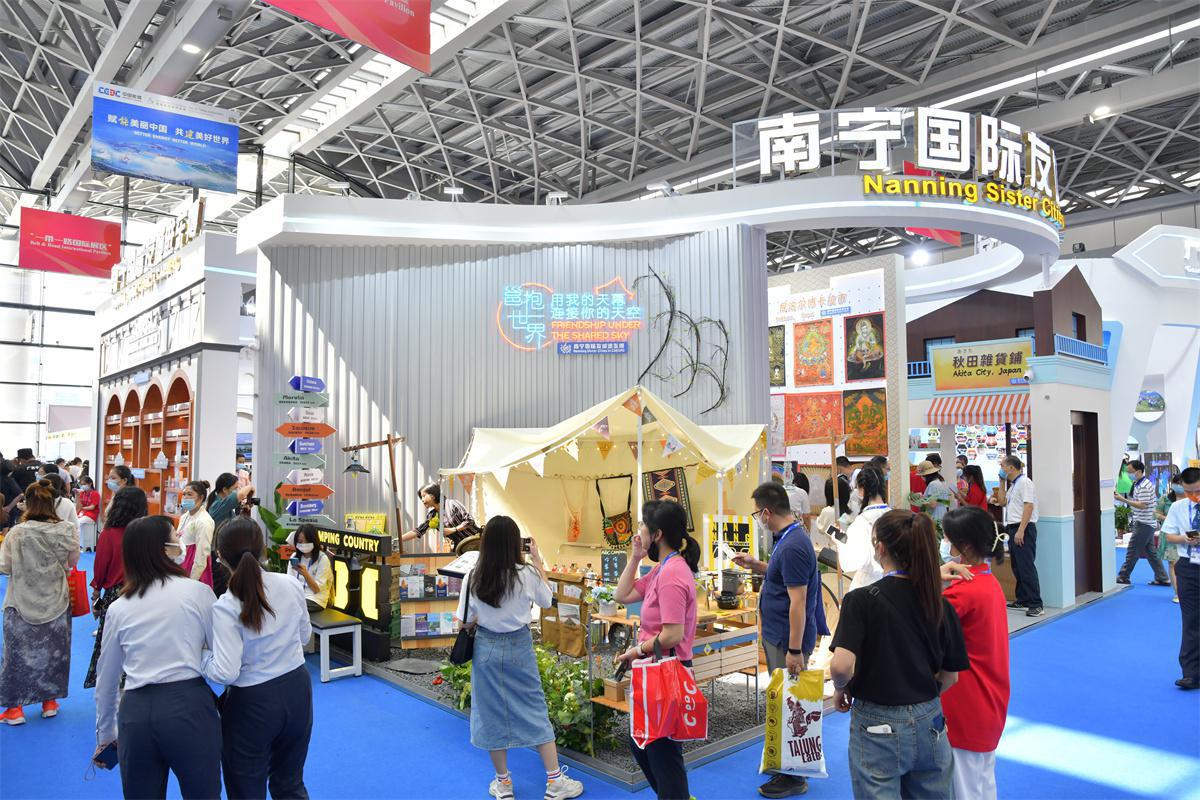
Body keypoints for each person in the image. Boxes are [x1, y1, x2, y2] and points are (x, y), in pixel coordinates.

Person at [829, 510, 969, 799]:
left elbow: (841, 666)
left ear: (880, 548)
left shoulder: (860, 601)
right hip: (930, 720)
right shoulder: (940, 605)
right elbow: (951, 677)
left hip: (876, 722)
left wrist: (840, 688)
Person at [456, 516, 583, 800]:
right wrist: (537, 560)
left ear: (485, 543)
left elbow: (463, 621)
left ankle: (503, 784)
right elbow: (547, 601)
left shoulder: (473, 576)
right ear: (516, 543)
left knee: (490, 713)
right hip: (519, 647)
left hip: (486, 648)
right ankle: (554, 781)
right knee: (534, 708)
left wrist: (482, 618)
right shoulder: (527, 573)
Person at [93, 515, 221, 798]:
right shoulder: (199, 593)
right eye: (176, 539)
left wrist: (105, 735)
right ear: (163, 550)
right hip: (189, 707)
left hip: (135, 712)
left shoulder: (119, 607)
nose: (181, 543)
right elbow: (222, 658)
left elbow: (107, 679)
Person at [204, 517, 313, 799]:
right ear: (263, 548)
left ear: (219, 557)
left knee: (246, 791)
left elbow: (225, 672)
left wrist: (201, 657)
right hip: (298, 691)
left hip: (252, 704)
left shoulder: (227, 605)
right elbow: (304, 637)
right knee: (290, 784)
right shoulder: (290, 584)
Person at [733, 482, 828, 799]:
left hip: (788, 639)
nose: (758, 518)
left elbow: (798, 602)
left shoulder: (792, 545)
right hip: (781, 635)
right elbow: (785, 576)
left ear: (766, 512)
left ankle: (793, 775)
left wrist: (794, 650)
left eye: (756, 513)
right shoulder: (790, 539)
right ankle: (786, 766)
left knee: (792, 705)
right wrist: (758, 565)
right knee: (786, 701)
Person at [614, 501, 701, 800]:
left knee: (661, 753)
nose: (638, 529)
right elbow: (622, 594)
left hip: (666, 673)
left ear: (658, 534)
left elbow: (673, 634)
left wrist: (637, 650)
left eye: (643, 525)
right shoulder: (662, 569)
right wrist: (635, 557)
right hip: (655, 672)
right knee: (644, 745)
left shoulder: (672, 574)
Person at [940, 507, 1011, 800]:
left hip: (966, 701)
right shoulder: (987, 583)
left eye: (949, 540)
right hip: (988, 697)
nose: (947, 546)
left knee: (964, 788)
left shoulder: (962, 592)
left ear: (965, 546)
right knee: (981, 784)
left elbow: (918, 621)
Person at [0, 482, 79, 725]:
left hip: (21, 601)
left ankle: (15, 710)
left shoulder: (17, 532)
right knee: (55, 653)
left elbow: (5, 566)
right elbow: (72, 561)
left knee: (16, 656)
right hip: (56, 600)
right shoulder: (67, 529)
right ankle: (49, 702)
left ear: (28, 503)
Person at [84, 486, 148, 690]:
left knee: (110, 640)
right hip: (143, 591)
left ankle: (109, 681)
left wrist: (96, 595)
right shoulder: (146, 532)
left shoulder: (109, 533)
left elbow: (100, 568)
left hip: (116, 594)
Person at [1159, 467, 1200, 690]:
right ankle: (1191, 674)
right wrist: (1185, 539)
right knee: (1191, 621)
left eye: (1198, 491)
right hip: (1189, 568)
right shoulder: (1178, 507)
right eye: (1188, 491)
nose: (1194, 495)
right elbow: (1169, 536)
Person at [993, 456, 1042, 617]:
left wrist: (1021, 530)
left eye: (1003, 466)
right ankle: (1023, 598)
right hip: (1013, 527)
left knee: (1026, 566)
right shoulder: (1013, 485)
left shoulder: (1025, 483)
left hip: (1023, 528)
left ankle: (1036, 604)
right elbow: (1001, 502)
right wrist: (1001, 482)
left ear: (1011, 468)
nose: (1001, 468)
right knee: (1017, 566)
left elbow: (1029, 507)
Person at [1116, 459, 1171, 587]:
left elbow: (1142, 505)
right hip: (1145, 522)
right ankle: (1162, 578)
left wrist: (1122, 499)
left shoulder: (1145, 486)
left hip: (1144, 523)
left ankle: (1123, 576)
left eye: (1130, 471)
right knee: (1151, 553)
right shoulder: (1138, 484)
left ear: (1139, 471)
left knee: (1132, 550)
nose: (1128, 474)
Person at [840, 467, 891, 592]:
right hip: (894, 584)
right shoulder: (895, 516)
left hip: (868, 587)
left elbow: (851, 563)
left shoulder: (862, 522)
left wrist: (840, 544)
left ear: (862, 490)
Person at [402, 483, 480, 550]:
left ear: (432, 495)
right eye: (421, 497)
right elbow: (419, 531)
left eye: (424, 496)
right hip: (461, 546)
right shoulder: (432, 515)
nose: (422, 500)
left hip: (476, 541)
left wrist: (454, 529)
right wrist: (399, 540)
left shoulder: (452, 504)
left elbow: (470, 521)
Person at [284, 524, 333, 611]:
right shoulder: (294, 556)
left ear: (314, 540)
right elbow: (289, 582)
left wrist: (306, 574)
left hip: (315, 599)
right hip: (298, 597)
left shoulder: (322, 559)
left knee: (292, 607)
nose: (303, 544)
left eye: (307, 541)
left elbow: (316, 589)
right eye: (300, 541)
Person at [177, 480, 215, 586]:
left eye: (190, 494)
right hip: (181, 563)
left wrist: (192, 580)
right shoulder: (184, 517)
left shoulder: (204, 521)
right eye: (184, 494)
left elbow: (202, 555)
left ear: (201, 497)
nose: (185, 497)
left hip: (194, 567)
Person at [1156, 477, 1182, 603]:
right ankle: (1178, 593)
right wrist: (1168, 518)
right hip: (1170, 535)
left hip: (1188, 535)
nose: (1179, 486)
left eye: (1181, 483)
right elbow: (1156, 514)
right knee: (1173, 563)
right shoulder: (1165, 499)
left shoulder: (1193, 499)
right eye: (1177, 483)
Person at [77, 475, 101, 552]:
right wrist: (77, 496)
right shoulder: (82, 493)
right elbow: (79, 505)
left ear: (90, 484)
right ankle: (79, 544)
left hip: (91, 515)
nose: (82, 486)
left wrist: (82, 508)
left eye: (84, 484)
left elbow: (92, 507)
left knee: (78, 523)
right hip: (82, 513)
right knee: (74, 521)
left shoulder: (95, 494)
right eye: (81, 484)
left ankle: (79, 545)